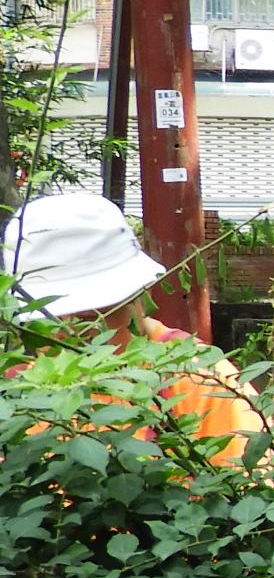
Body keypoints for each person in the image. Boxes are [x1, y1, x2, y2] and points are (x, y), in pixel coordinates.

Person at [1, 193, 257, 464]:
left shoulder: (200, 379)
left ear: (140, 291)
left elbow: (246, 482)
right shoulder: (15, 390)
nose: (75, 329)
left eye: (95, 312)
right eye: (52, 315)